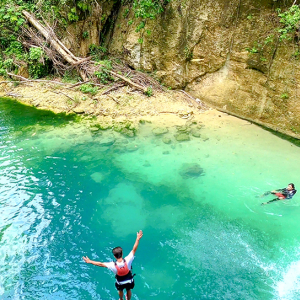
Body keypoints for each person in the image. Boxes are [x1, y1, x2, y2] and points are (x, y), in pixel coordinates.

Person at [82, 230, 143, 300]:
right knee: (128, 290)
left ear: (114, 256)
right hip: (129, 280)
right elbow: (134, 249)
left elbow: (100, 264)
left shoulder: (112, 265)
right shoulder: (128, 260)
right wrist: (137, 239)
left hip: (120, 282)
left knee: (120, 290)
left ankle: (121, 299)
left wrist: (90, 261)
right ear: (122, 254)